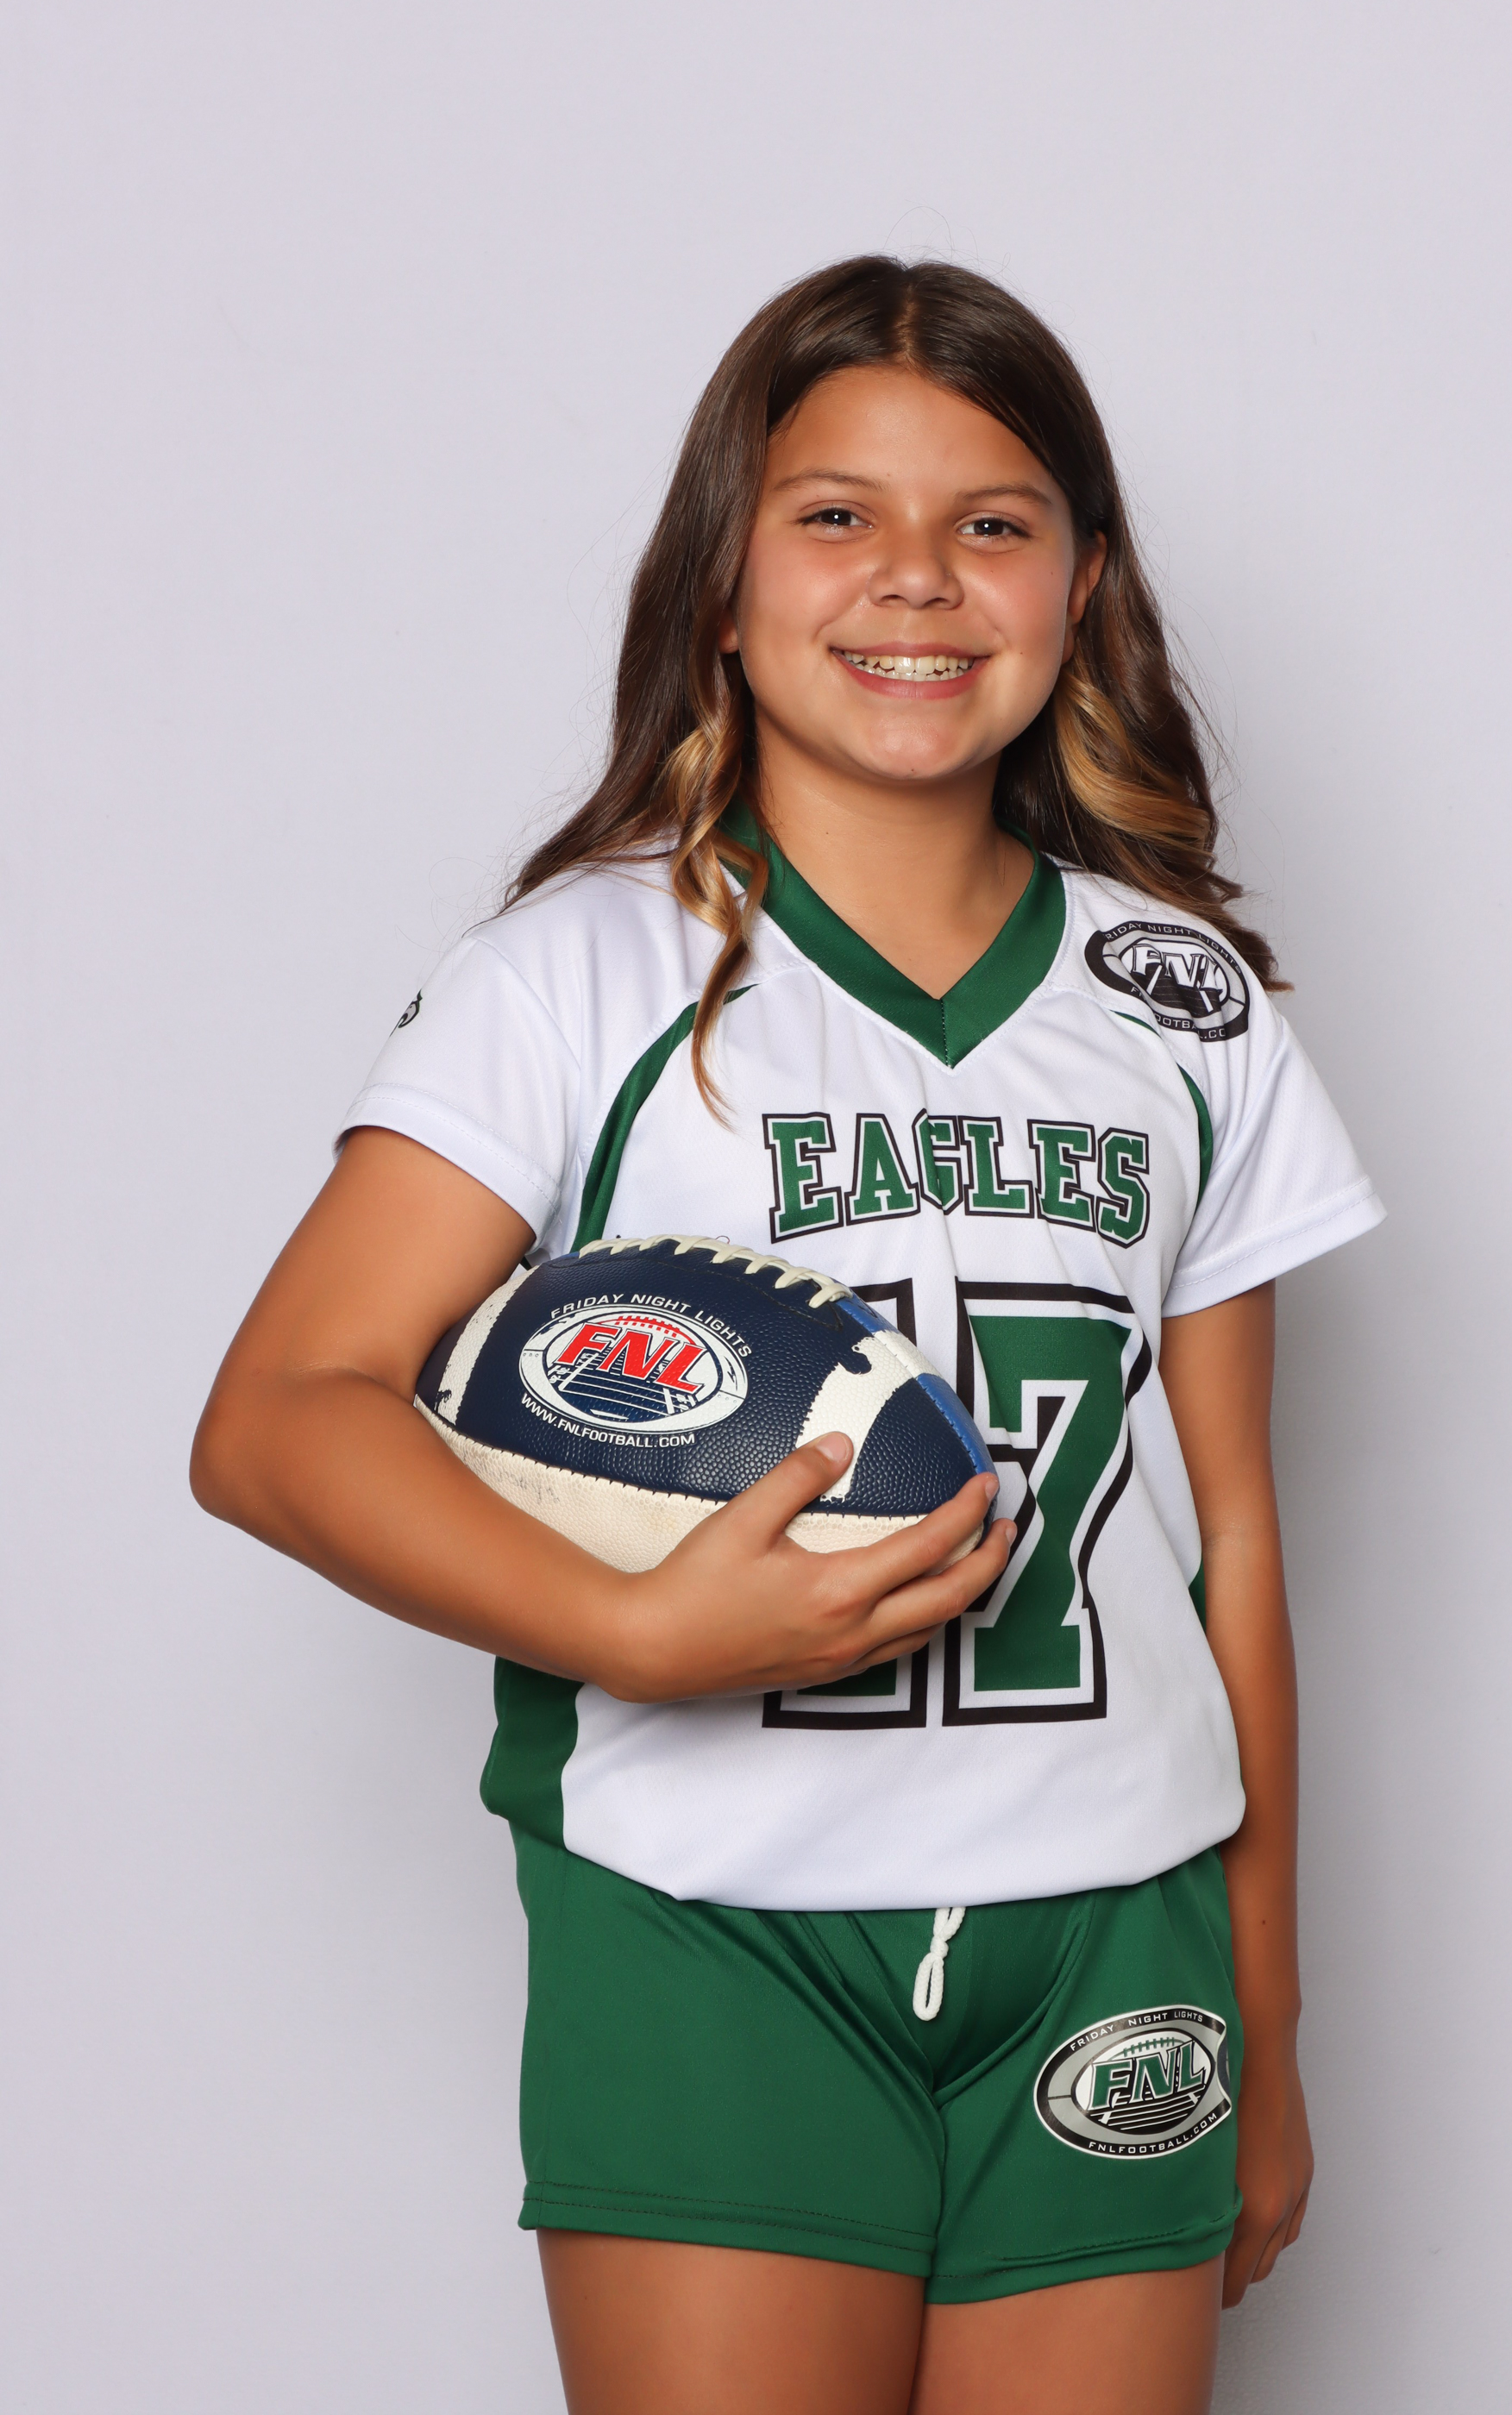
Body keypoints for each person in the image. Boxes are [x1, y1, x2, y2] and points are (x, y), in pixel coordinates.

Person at [192, 256, 1383, 2415]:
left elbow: (1235, 1540)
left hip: (1118, 1927)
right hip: (712, 1913)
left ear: (1081, 584)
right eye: (836, 514)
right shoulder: (576, 974)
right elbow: (279, 1415)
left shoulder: (1184, 1001)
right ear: (723, 585)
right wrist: (628, 1628)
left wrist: (1273, 2019)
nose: (915, 575)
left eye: (991, 521)